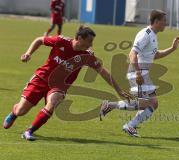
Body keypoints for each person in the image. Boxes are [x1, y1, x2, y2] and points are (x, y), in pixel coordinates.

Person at [3, 25, 131, 141]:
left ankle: (29, 131)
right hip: (41, 79)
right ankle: (14, 113)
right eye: (89, 41)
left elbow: (103, 72)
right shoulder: (61, 41)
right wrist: (28, 53)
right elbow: (39, 40)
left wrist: (119, 90)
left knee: (52, 103)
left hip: (59, 86)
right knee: (21, 110)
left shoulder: (87, 56)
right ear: (80, 38)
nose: (91, 45)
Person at [99, 10, 179, 137]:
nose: (166, 23)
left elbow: (155, 55)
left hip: (143, 73)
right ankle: (129, 124)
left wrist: (172, 48)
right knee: (149, 103)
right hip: (138, 72)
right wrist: (137, 73)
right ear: (157, 22)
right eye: (164, 21)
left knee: (151, 103)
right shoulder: (145, 34)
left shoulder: (153, 35)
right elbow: (132, 53)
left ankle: (114, 109)